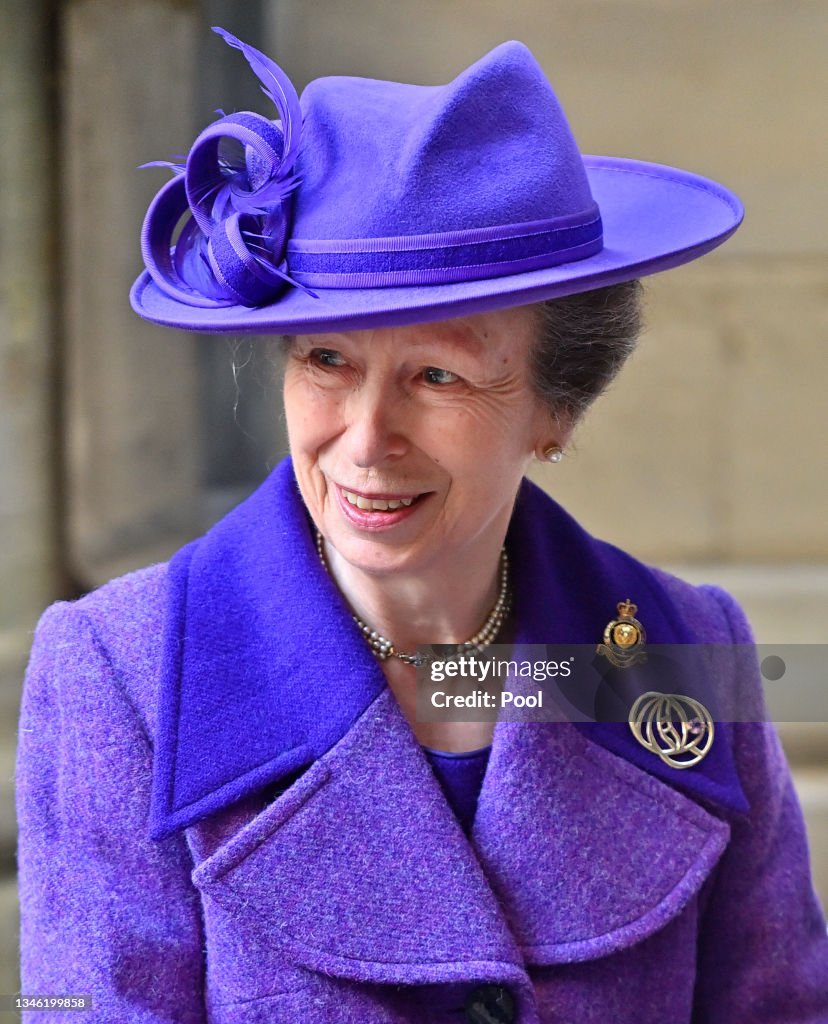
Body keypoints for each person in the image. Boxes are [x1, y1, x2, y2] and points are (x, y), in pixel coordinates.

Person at [16, 27, 828, 1024]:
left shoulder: (693, 650)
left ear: (554, 409)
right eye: (326, 362)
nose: (365, 440)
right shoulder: (116, 674)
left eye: (436, 375)